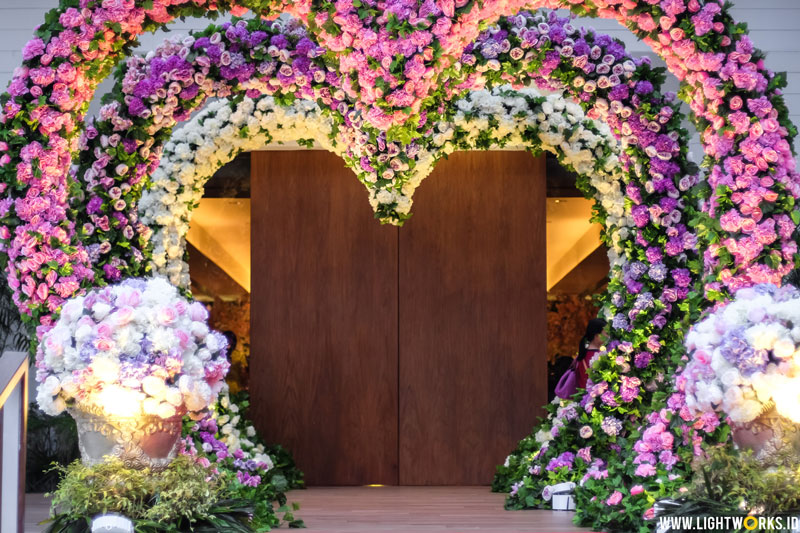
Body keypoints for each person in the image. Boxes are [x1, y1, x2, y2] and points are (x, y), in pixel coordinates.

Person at [575, 318, 606, 390]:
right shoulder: (598, 356)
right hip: (594, 399)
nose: (608, 337)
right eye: (606, 333)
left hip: (584, 399)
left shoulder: (581, 355)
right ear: (597, 335)